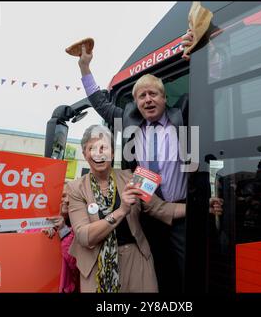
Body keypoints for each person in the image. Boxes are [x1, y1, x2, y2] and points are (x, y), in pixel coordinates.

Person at [77, 42, 189, 293]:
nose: (148, 100)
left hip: (180, 211)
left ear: (164, 97)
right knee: (157, 271)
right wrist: (85, 68)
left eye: (153, 94)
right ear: (137, 102)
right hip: (146, 212)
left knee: (186, 271)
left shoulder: (183, 116)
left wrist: (204, 47)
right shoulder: (129, 122)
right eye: (142, 96)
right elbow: (100, 103)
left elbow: (212, 81)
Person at [64, 125, 188, 292]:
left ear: (113, 153)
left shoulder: (133, 178)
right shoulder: (75, 188)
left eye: (104, 147)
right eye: (92, 148)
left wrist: (200, 206)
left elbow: (163, 209)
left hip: (137, 263)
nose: (99, 153)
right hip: (96, 268)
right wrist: (121, 211)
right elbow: (84, 236)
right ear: (85, 154)